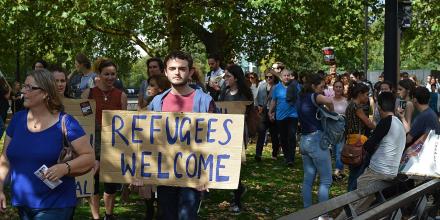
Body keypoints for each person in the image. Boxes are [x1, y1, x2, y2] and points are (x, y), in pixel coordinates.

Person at [0, 69, 94, 219]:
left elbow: (89, 157)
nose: (23, 91)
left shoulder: (66, 122)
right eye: (24, 86)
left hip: (55, 205)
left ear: (45, 93)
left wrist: (65, 168)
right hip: (23, 204)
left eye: (29, 87)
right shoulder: (17, 120)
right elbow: (5, 158)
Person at [147, 51, 214, 219]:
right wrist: (143, 173)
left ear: (190, 72)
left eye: (182, 68)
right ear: (165, 71)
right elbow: (148, 140)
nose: (177, 72)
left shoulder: (205, 101)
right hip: (164, 173)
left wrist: (207, 174)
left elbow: (214, 140)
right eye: (173, 68)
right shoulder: (157, 102)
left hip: (194, 175)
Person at [336, 92, 406, 220]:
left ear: (379, 107)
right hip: (392, 172)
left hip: (377, 171)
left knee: (355, 203)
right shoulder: (399, 123)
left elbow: (369, 145)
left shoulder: (385, 122)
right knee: (365, 202)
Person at [81, 59, 128, 220]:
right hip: (92, 143)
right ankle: (96, 216)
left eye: (113, 74)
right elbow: (83, 119)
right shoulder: (88, 94)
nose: (110, 77)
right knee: (92, 181)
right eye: (106, 74)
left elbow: (125, 123)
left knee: (110, 183)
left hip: (112, 145)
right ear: (99, 75)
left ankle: (109, 214)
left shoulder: (121, 96)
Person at [218, 64, 253, 213]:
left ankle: (237, 201)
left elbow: (245, 114)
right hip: (225, 135)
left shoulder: (244, 95)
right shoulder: (224, 92)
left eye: (228, 76)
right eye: (224, 76)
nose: (225, 79)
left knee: (235, 167)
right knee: (228, 166)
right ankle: (239, 190)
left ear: (236, 78)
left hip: (238, 134)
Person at [298, 73, 334, 210]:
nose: (323, 90)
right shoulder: (314, 96)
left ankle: (308, 212)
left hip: (304, 140)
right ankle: (323, 214)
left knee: (308, 179)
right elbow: (330, 101)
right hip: (315, 140)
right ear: (313, 86)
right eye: (321, 87)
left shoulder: (301, 97)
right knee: (326, 180)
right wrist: (332, 113)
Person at [345, 82, 376, 191]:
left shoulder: (350, 105)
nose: (367, 97)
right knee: (357, 172)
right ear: (359, 94)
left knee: (353, 171)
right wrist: (379, 128)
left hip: (350, 141)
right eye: (366, 94)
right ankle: (351, 198)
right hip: (358, 142)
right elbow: (368, 123)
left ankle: (349, 196)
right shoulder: (356, 106)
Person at [269, 69, 299, 166]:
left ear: (291, 76)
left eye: (288, 75)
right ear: (281, 77)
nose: (286, 77)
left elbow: (301, 99)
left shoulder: (296, 86)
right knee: (283, 138)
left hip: (293, 115)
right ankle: (286, 156)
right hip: (280, 116)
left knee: (291, 136)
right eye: (285, 75)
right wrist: (270, 112)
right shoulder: (277, 88)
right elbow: (274, 101)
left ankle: (291, 158)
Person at [255, 69, 280, 161]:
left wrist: (274, 112)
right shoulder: (261, 86)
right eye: (266, 77)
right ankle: (258, 154)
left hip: (274, 112)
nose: (268, 78)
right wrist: (258, 107)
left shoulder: (277, 87)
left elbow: (279, 100)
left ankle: (274, 154)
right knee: (261, 133)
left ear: (274, 77)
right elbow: (257, 99)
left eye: (270, 77)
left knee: (274, 134)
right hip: (263, 112)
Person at [331, 80, 348, 180]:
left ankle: (337, 171)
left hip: (341, 130)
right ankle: (340, 170)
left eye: (340, 87)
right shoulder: (329, 100)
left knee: (339, 151)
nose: (338, 89)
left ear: (343, 88)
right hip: (331, 130)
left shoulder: (346, 101)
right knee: (333, 151)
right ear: (333, 88)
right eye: (336, 87)